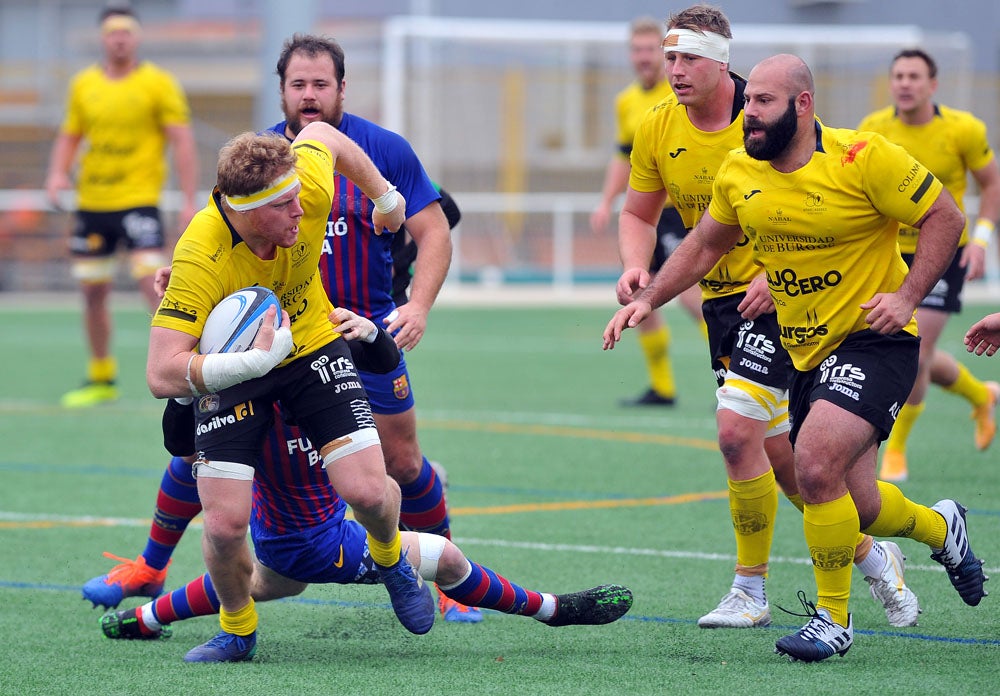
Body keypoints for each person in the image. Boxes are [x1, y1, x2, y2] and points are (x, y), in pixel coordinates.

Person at [80, 34, 481, 624]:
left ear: (342, 88)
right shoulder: (262, 161)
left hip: (352, 330)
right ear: (283, 90)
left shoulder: (378, 150)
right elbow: (218, 234)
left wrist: (415, 304)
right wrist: (188, 280)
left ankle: (442, 584)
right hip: (265, 337)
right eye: (299, 84)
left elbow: (434, 230)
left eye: (321, 84)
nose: (310, 95)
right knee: (205, 453)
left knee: (397, 463)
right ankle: (152, 566)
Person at [604, 53, 988, 663]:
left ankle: (831, 619)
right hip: (804, 348)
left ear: (802, 105)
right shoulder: (740, 171)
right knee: (856, 504)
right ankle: (942, 528)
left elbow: (945, 215)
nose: (749, 115)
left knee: (811, 462)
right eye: (748, 102)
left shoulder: (864, 157)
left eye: (763, 102)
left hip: (874, 339)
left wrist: (907, 295)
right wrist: (648, 296)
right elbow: (703, 246)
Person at [144, 122, 439, 664]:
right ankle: (237, 630)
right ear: (246, 211)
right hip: (237, 370)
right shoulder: (200, 255)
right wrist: (254, 361)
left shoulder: (304, 188)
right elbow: (161, 373)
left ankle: (391, 559)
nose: (302, 211)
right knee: (225, 526)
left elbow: (324, 133)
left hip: (310, 343)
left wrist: (386, 198)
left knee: (371, 494)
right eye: (284, 205)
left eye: (299, 195)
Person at [96, 396, 633, 661]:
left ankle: (142, 617)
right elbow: (183, 455)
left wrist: (374, 333)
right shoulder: (252, 412)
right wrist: (187, 380)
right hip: (317, 543)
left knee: (253, 581)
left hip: (290, 542)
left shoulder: (315, 387)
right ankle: (552, 610)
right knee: (443, 555)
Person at [44, 3, 199, 408]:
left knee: (154, 285)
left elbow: (182, 140)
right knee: (93, 291)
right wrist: (57, 174)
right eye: (113, 32)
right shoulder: (84, 85)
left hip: (138, 202)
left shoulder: (158, 83)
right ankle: (101, 377)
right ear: (103, 38)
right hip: (92, 203)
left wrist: (187, 200)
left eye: (126, 32)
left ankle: (185, 370)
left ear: (137, 37)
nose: (119, 39)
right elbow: (71, 135)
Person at [858, 48, 1000, 482]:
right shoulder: (872, 129)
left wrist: (980, 241)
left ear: (932, 85)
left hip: (943, 253)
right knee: (915, 348)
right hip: (888, 255)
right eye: (898, 75)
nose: (905, 83)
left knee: (916, 350)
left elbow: (991, 183)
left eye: (914, 76)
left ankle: (896, 450)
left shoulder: (962, 129)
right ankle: (980, 395)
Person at [591, 16, 704, 407]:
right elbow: (624, 156)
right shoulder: (626, 101)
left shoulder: (682, 93)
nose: (643, 57)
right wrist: (607, 200)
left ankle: (731, 377)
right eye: (636, 50)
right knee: (638, 294)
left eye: (650, 50)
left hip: (678, 211)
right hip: (643, 215)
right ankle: (662, 387)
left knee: (692, 297)